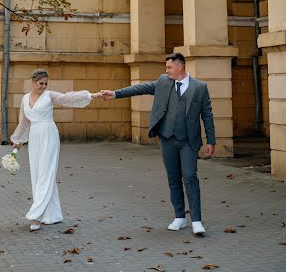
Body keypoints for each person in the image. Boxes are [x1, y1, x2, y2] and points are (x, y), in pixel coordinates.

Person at [101, 52, 215, 235]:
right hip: (167, 139)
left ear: (180, 66)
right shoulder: (163, 82)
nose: (167, 70)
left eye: (169, 67)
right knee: (173, 179)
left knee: (190, 177)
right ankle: (179, 217)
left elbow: (207, 114)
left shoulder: (200, 87)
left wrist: (211, 140)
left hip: (188, 141)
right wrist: (115, 94)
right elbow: (141, 88)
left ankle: (196, 220)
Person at [11, 68, 102, 231]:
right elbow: (24, 121)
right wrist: (18, 141)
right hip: (34, 137)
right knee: (38, 175)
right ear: (33, 83)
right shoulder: (25, 99)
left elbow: (68, 98)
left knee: (46, 173)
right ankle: (52, 215)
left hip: (49, 135)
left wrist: (91, 95)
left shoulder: (49, 95)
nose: (44, 86)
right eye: (40, 84)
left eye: (46, 83)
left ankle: (37, 215)